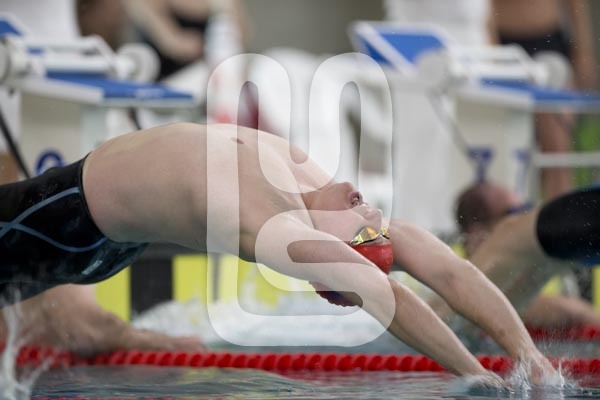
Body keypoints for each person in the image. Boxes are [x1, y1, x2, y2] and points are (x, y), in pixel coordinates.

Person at [0, 122, 559, 384]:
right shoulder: (315, 188)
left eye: (364, 232)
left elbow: (384, 293)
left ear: (330, 253)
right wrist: (526, 353)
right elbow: (450, 271)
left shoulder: (269, 226)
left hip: (63, 223)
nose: (371, 213)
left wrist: (473, 375)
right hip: (105, 233)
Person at [454, 181, 600, 328]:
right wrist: (580, 312)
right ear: (478, 233)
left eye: (525, 209)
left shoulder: (534, 256)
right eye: (514, 212)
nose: (523, 219)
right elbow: (499, 307)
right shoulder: (454, 269)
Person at [491, 0, 598, 199]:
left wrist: (583, 50)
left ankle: (562, 216)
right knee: (508, 148)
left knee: (557, 150)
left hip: (548, 40)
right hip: (503, 45)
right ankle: (518, 212)